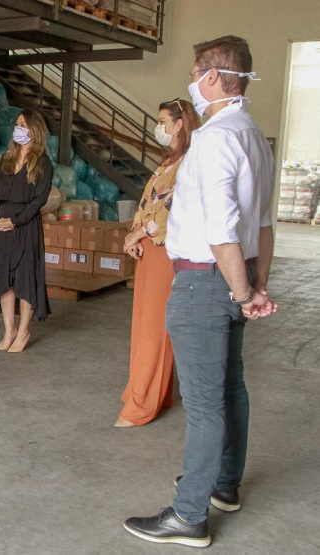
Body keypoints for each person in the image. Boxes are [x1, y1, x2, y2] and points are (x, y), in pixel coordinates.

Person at [124, 36, 277, 548]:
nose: (191, 81)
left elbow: (222, 228)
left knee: (206, 403)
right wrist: (255, 284)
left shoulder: (213, 139)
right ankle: (223, 485)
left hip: (204, 282)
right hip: (235, 276)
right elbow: (265, 226)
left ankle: (189, 515)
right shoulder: (253, 134)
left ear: (212, 76)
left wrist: (240, 292)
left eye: (195, 72)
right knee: (231, 388)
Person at [115, 99, 200, 428]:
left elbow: (172, 209)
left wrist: (141, 233)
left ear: (179, 124)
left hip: (167, 251)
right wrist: (134, 234)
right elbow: (148, 202)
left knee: (155, 329)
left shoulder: (189, 163)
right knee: (143, 326)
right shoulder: (169, 161)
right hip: (150, 249)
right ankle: (151, 392)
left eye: (163, 121)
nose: (158, 127)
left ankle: (142, 404)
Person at [0, 109, 52, 353]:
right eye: (17, 124)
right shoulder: (7, 158)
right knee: (3, 279)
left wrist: (16, 221)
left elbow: (38, 201)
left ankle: (23, 331)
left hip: (26, 226)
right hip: (4, 226)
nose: (18, 128)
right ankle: (9, 329)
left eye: (23, 124)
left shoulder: (42, 163)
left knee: (25, 279)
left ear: (34, 129)